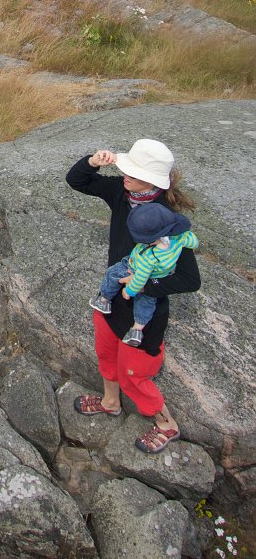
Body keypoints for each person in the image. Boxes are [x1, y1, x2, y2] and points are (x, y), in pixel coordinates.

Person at [66, 138, 201, 454]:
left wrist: (144, 286)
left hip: (144, 314)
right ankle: (110, 402)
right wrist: (92, 162)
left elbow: (190, 279)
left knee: (133, 375)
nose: (124, 175)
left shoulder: (168, 223)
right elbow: (77, 181)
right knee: (106, 354)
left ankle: (167, 424)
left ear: (152, 181)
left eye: (133, 172)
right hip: (110, 299)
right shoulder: (122, 193)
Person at [90, 200, 199, 346]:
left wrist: (129, 291)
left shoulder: (149, 257)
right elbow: (193, 241)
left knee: (112, 273)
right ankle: (137, 331)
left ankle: (104, 300)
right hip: (160, 275)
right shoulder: (179, 238)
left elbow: (140, 279)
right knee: (146, 303)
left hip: (134, 267)